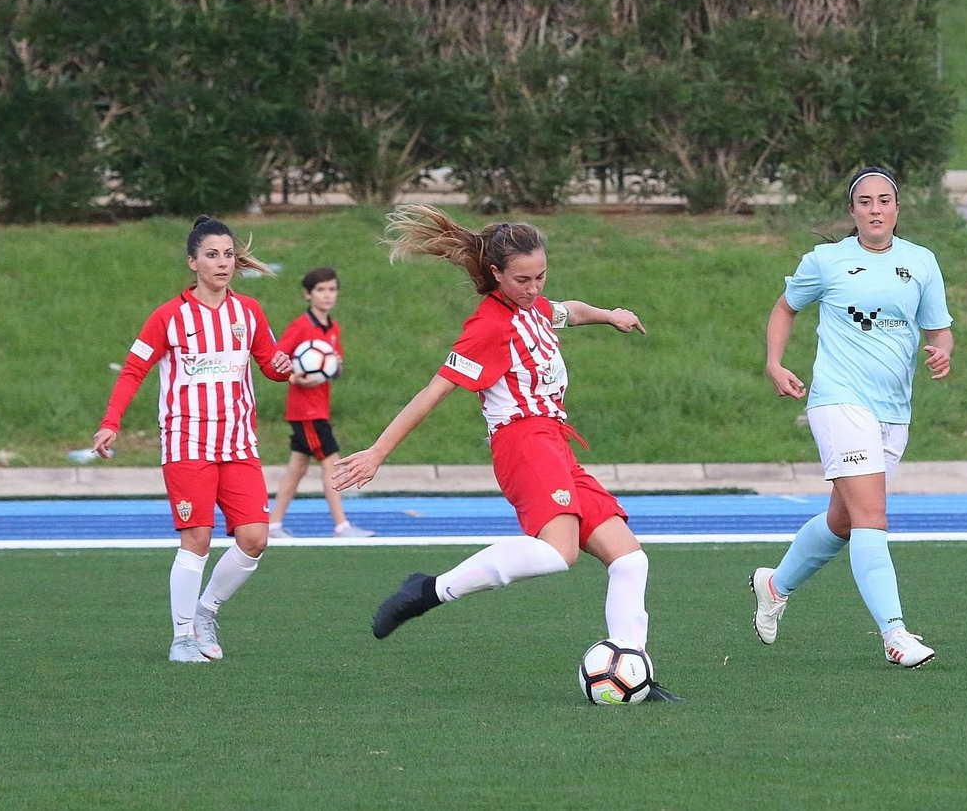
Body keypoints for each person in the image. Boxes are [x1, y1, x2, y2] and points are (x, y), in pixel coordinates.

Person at [330, 205, 679, 700]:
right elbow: (434, 390)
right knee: (558, 554)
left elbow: (569, 310)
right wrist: (377, 452)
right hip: (523, 442)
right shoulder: (489, 326)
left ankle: (632, 671)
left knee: (629, 560)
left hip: (556, 442)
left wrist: (609, 316)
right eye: (522, 280)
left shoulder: (534, 308)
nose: (534, 288)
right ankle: (429, 590)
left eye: (541, 277)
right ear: (496, 274)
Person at [751, 166, 954, 669]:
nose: (875, 209)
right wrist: (775, 363)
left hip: (893, 410)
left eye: (884, 200)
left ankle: (775, 585)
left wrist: (941, 352)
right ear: (853, 211)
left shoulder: (921, 262)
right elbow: (784, 308)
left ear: (897, 208)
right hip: (838, 401)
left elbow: (939, 329)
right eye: (865, 202)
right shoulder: (826, 261)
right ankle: (895, 633)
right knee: (872, 517)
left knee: (843, 522)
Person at [92, 215, 293, 663]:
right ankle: (182, 639)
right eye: (212, 255)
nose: (222, 263)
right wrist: (111, 422)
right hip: (188, 444)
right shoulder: (168, 316)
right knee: (197, 540)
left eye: (228, 255)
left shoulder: (249, 312)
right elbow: (134, 369)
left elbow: (270, 366)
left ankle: (205, 612)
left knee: (255, 539)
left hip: (239, 445)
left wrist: (283, 367)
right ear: (192, 262)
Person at [268, 267, 373, 538]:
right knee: (333, 463)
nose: (328, 295)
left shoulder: (333, 328)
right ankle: (341, 526)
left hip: (319, 408)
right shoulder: (300, 326)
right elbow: (275, 360)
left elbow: (336, 366)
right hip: (306, 411)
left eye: (332, 289)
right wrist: (295, 377)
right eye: (321, 290)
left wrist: (334, 367)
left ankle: (273, 525)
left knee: (297, 467)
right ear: (308, 294)